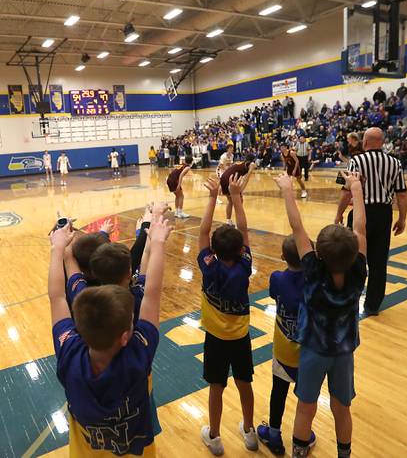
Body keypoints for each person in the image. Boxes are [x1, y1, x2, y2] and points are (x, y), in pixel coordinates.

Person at [48, 213, 172, 456]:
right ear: (125, 336)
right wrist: (156, 243)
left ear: (79, 330)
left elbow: (57, 296)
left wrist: (60, 250)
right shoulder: (138, 358)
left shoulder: (70, 355)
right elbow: (152, 293)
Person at [276, 171, 366, 458]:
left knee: (306, 406)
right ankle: (344, 454)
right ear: (353, 252)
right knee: (342, 408)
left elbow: (296, 225)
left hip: (314, 350)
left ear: (318, 254)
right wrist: (357, 188)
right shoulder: (358, 271)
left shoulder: (312, 271)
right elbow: (361, 229)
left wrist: (288, 189)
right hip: (343, 352)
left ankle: (299, 454)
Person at [198, 174, 258, 454]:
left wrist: (212, 197)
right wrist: (236, 197)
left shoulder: (209, 267)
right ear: (240, 249)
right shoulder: (245, 265)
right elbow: (245, 231)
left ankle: (215, 435)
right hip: (241, 337)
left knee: (216, 387)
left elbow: (201, 232)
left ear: (214, 249)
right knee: (245, 384)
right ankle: (249, 430)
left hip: (216, 338)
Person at [335, 128, 407, 317]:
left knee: (352, 258)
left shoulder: (356, 161)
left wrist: (338, 215)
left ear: (364, 143)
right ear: (382, 143)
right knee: (379, 262)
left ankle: (348, 300)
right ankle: (372, 305)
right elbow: (402, 194)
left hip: (361, 212)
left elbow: (346, 191)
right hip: (384, 215)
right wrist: (402, 218)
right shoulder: (395, 163)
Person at [256, 235, 315, 455]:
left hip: (283, 351)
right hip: (308, 354)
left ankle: (273, 433)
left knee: (278, 393)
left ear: (283, 257)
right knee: (306, 397)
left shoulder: (277, 278)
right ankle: (304, 434)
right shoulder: (315, 282)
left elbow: (274, 295)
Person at [219, 161, 254, 226]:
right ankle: (239, 223)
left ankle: (228, 221)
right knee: (239, 202)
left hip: (224, 177)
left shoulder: (240, 163)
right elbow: (247, 178)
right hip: (229, 179)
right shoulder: (251, 165)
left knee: (230, 201)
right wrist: (240, 190)